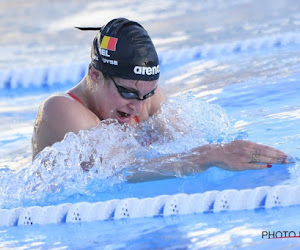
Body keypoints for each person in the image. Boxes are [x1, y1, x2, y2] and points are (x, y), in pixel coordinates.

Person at [32, 18, 290, 181]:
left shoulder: (143, 98)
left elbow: (189, 143)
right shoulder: (62, 110)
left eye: (148, 94)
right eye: (128, 93)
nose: (138, 106)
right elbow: (121, 170)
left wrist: (228, 152)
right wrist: (211, 155)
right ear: (95, 76)